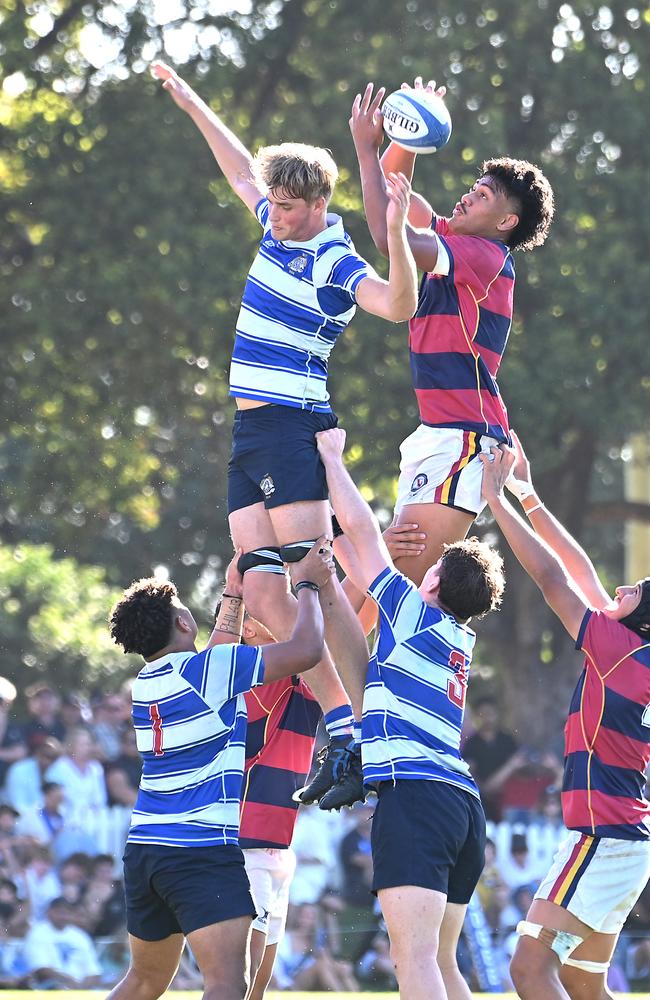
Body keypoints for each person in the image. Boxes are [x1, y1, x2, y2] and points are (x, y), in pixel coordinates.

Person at [151, 60, 418, 806]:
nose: (274, 214)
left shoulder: (333, 256)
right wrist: (192, 99)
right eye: (271, 203)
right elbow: (240, 166)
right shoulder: (274, 221)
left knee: (313, 576)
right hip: (249, 432)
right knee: (262, 589)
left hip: (294, 428)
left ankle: (371, 728)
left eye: (289, 207)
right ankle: (342, 729)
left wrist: (394, 232)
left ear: (320, 202)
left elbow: (398, 305)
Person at [315, 426, 505, 1000]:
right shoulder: (456, 638)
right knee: (443, 964)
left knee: (414, 964)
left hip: (417, 796)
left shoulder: (411, 614)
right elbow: (350, 549)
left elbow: (362, 534)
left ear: (436, 579)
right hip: (462, 805)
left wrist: (328, 459)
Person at [349, 77, 555, 587]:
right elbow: (395, 199)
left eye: (482, 195)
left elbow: (386, 232)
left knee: (390, 596)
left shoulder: (484, 256)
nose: (467, 195)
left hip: (464, 439)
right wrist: (404, 138)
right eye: (472, 186)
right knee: (374, 594)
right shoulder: (455, 241)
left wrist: (364, 147)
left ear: (505, 220)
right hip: (439, 435)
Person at [106, 541, 333, 1000]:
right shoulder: (208, 671)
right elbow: (307, 650)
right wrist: (307, 582)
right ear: (184, 623)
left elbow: (218, 656)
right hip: (200, 850)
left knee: (145, 981)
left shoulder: (148, 683)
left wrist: (233, 593)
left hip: (146, 850)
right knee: (229, 983)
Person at [480, 435, 650, 1000]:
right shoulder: (632, 654)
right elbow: (578, 568)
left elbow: (556, 578)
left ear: (639, 620)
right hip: (626, 837)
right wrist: (525, 493)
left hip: (602, 834)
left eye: (635, 592)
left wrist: (495, 502)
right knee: (583, 984)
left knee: (529, 972)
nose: (621, 588)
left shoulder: (617, 650)